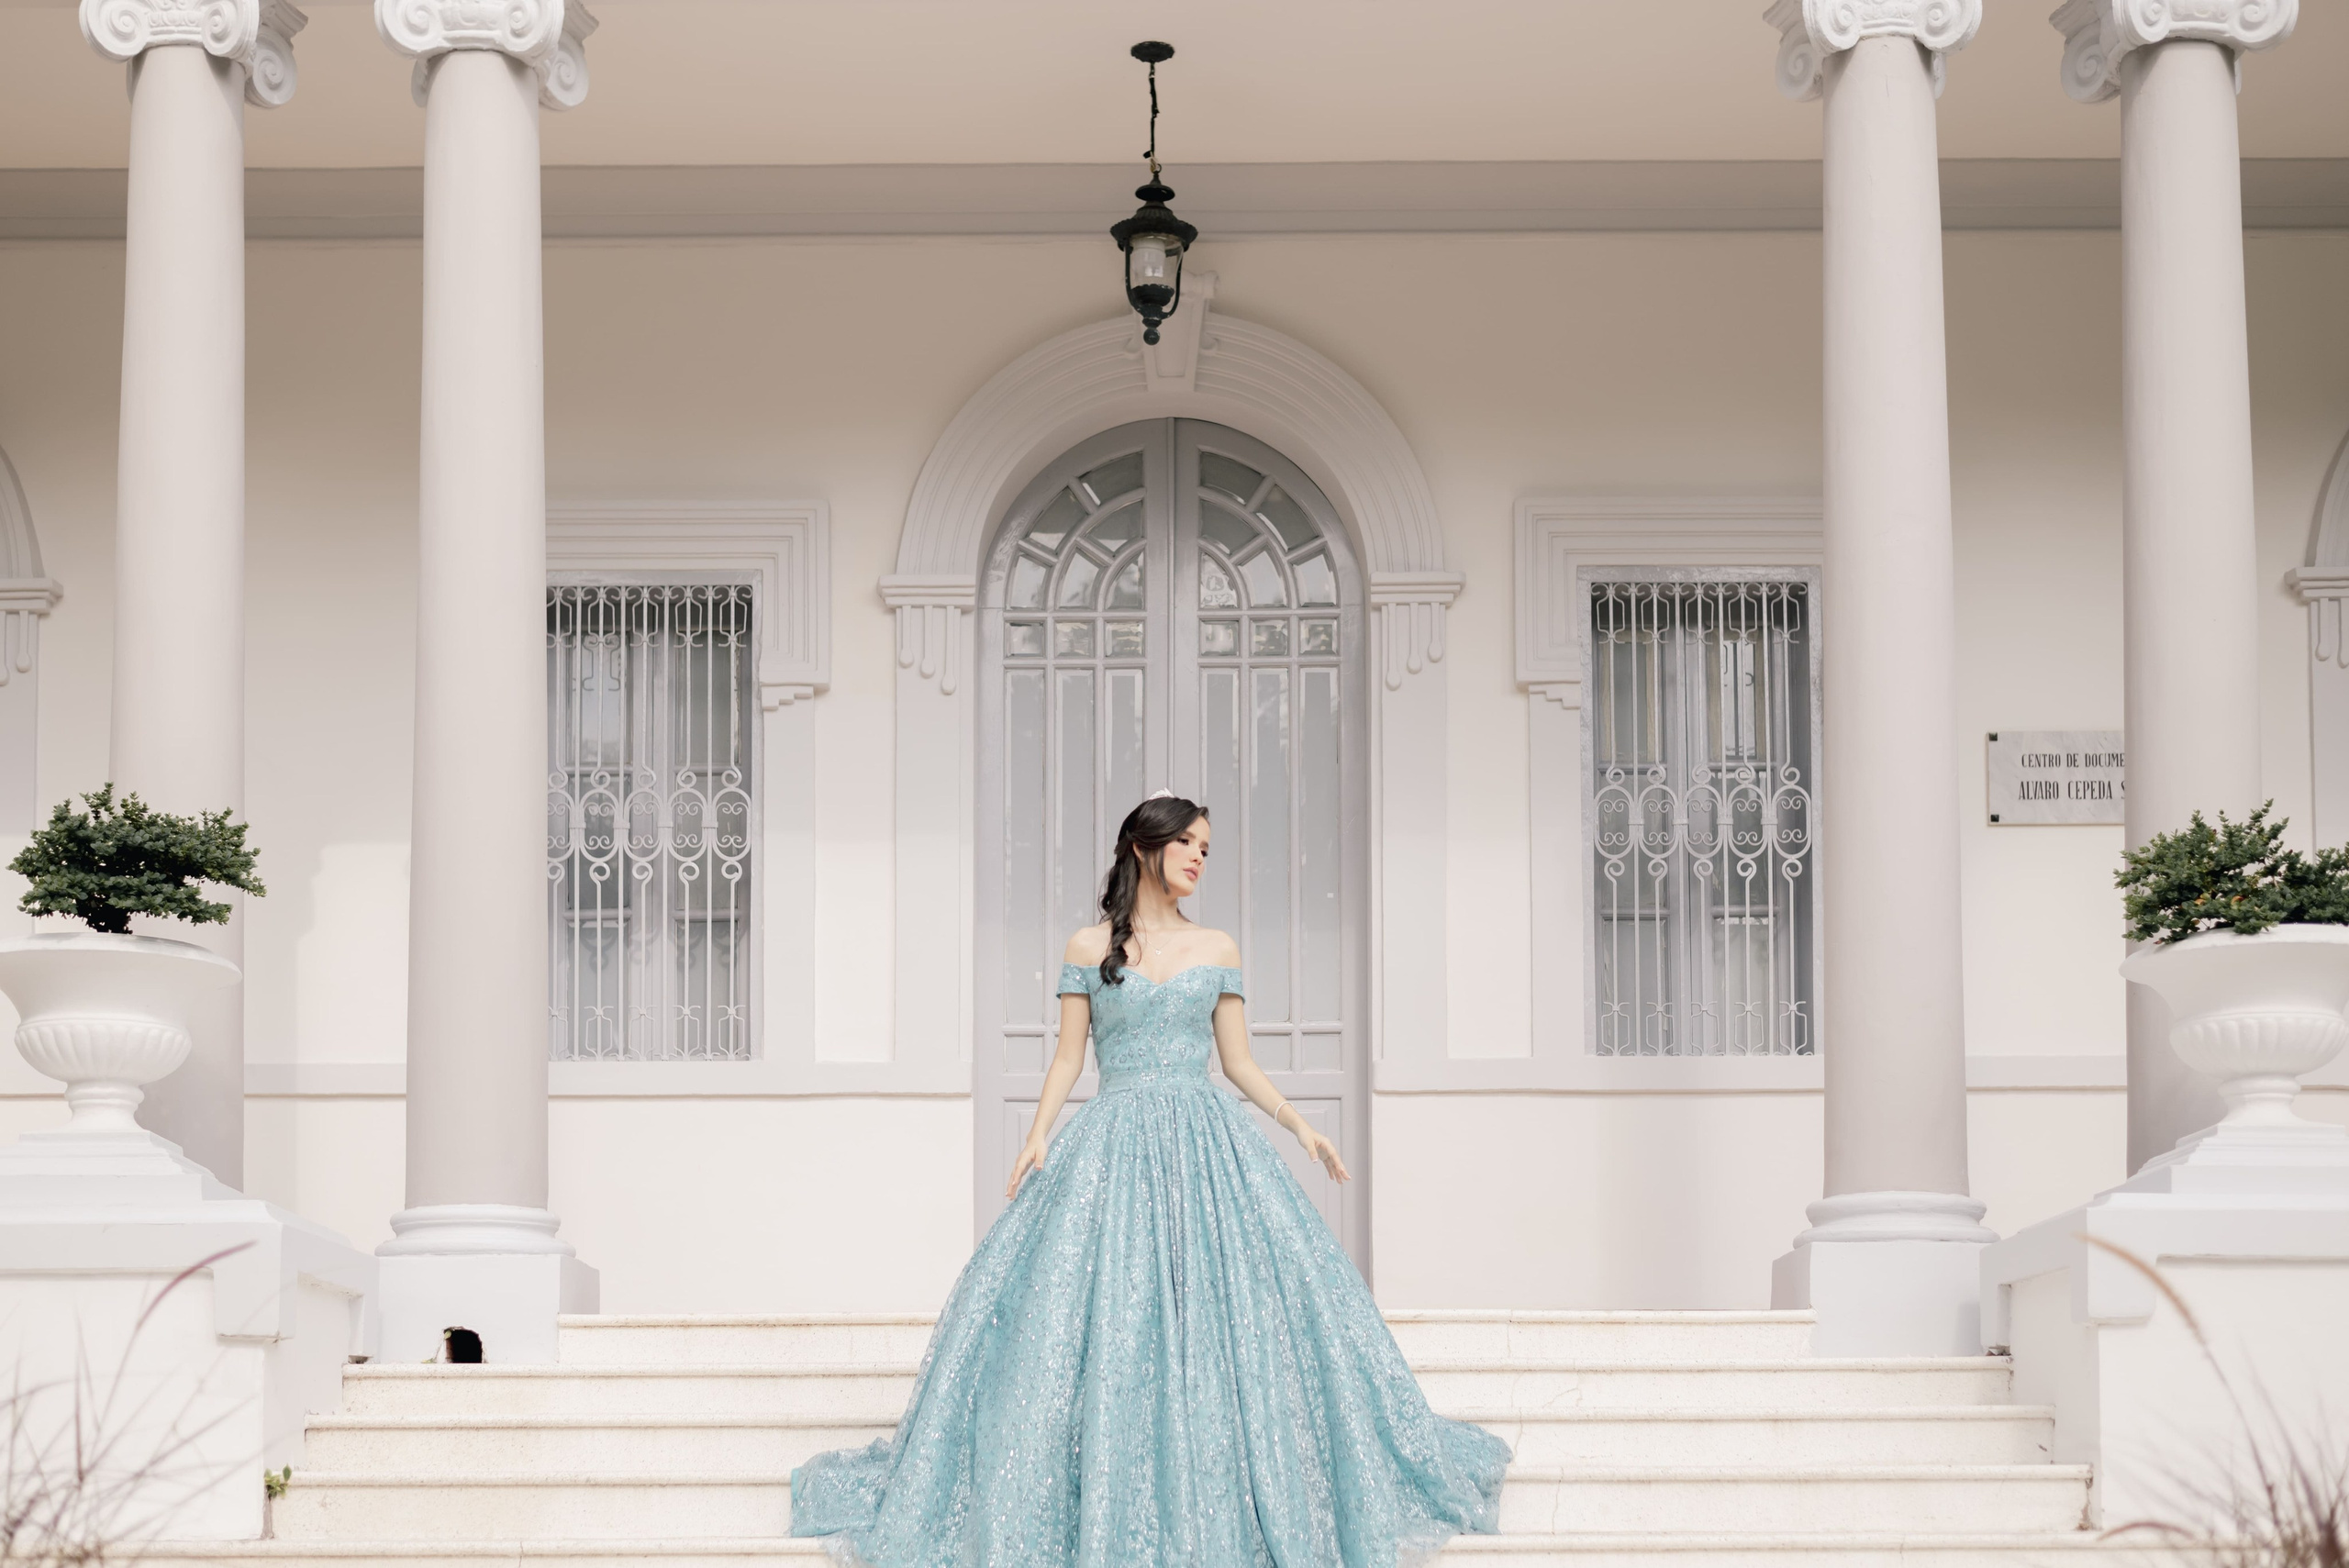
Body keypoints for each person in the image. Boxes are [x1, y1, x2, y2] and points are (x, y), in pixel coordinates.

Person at [790, 793, 1509, 1568]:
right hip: (1113, 1141)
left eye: (1207, 846)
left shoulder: (1219, 947)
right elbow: (1069, 1057)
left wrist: (1300, 1126)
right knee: (1094, 1317)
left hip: (1207, 1146)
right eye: (1188, 843)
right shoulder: (1087, 945)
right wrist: (1036, 1135)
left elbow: (1237, 1062)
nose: (1201, 857)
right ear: (1143, 847)